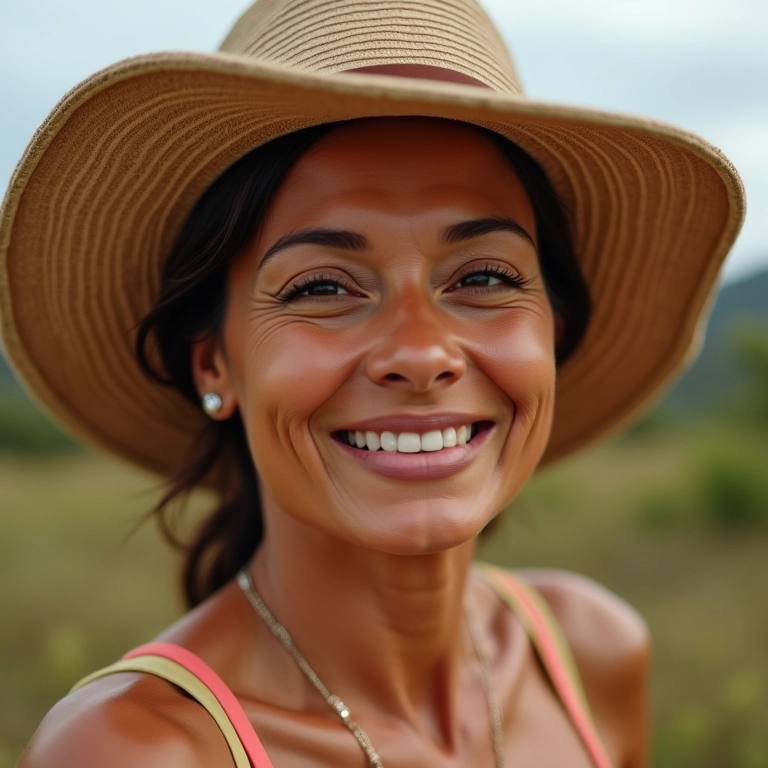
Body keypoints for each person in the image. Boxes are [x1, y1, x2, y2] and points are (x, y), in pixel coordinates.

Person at [1, 0, 744, 766]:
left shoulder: (589, 656)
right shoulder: (136, 750)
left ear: (551, 329)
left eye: (485, 276)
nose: (422, 353)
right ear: (213, 364)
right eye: (322, 288)